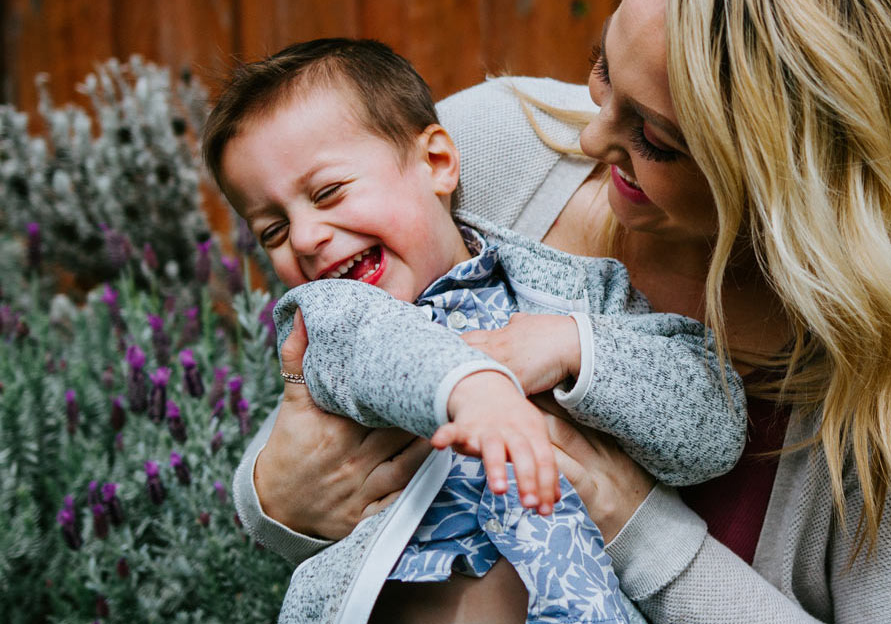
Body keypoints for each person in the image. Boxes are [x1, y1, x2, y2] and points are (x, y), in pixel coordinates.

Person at [235, 0, 891, 623]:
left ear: (800, 187)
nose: (590, 136)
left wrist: (639, 530)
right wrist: (276, 496)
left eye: (656, 139)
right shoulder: (497, 149)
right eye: (603, 66)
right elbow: (334, 375)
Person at [204, 38, 746, 623]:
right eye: (274, 231)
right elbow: (380, 350)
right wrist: (470, 387)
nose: (307, 237)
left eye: (328, 193)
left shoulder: (573, 294)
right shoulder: (331, 319)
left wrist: (575, 347)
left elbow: (710, 430)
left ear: (437, 162)